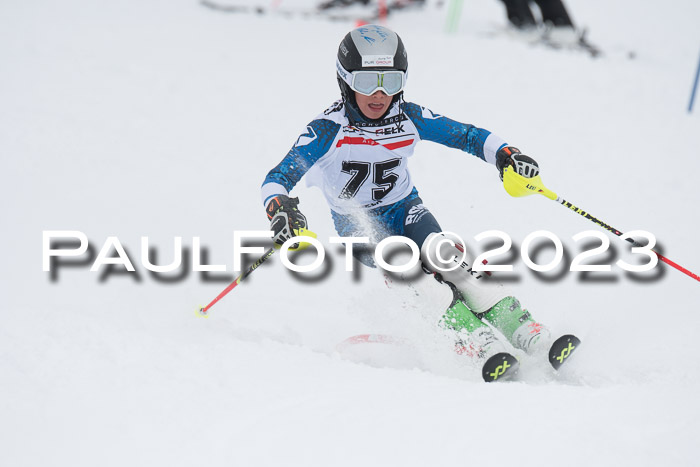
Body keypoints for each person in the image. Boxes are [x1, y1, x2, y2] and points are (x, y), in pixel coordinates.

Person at [261, 24, 575, 380]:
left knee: (449, 260)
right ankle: (478, 343)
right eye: (366, 83)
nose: (379, 94)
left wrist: (506, 154)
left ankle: (529, 334)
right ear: (345, 81)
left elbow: (469, 136)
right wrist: (280, 208)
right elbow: (277, 177)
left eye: (390, 82)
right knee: (414, 277)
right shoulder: (327, 130)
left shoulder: (407, 117)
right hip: (357, 225)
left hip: (405, 208)